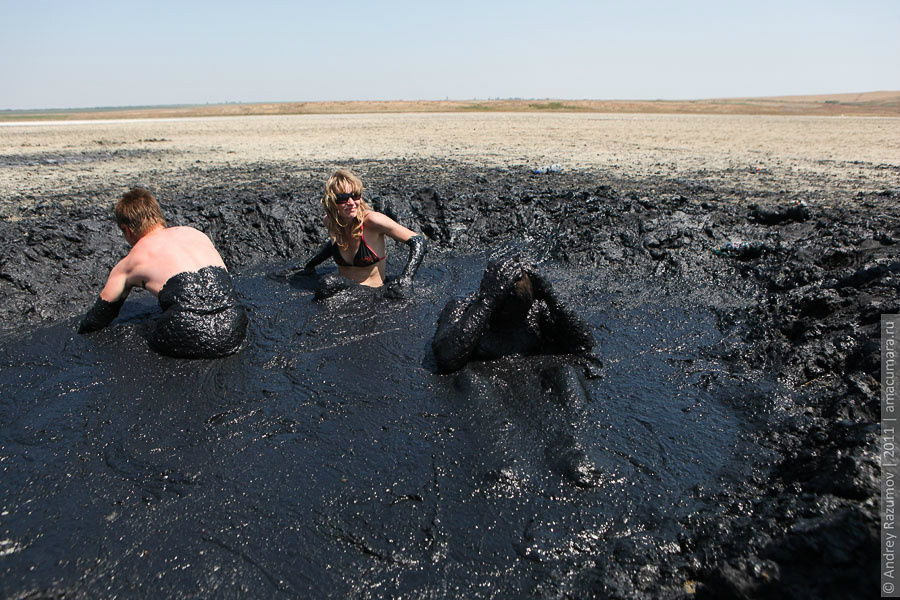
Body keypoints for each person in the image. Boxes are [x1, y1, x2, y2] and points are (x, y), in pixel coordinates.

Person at [77, 188, 247, 358]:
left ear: (128, 230)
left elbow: (98, 318)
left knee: (134, 333)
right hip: (234, 323)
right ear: (158, 215)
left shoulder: (129, 263)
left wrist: (81, 330)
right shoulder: (196, 234)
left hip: (187, 331)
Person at [431, 256, 595, 373]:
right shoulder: (464, 307)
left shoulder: (536, 310)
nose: (508, 314)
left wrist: (550, 295)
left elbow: (584, 345)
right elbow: (446, 357)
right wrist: (487, 301)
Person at [295, 169, 426, 298]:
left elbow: (418, 240)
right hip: (345, 294)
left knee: (328, 282)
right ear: (332, 201)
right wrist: (309, 264)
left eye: (355, 195)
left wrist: (407, 278)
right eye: (343, 198)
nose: (351, 203)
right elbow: (335, 245)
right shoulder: (330, 221)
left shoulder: (372, 221)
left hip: (375, 294)